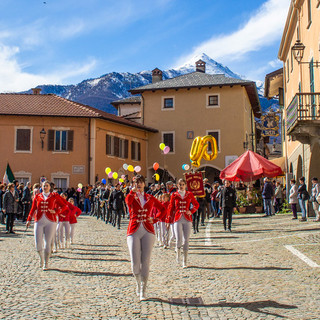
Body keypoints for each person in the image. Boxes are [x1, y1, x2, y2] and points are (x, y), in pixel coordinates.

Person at [126, 175, 165, 301]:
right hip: (134, 229)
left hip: (148, 230)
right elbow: (128, 202)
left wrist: (155, 219)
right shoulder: (131, 196)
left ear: (144, 184)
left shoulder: (150, 197)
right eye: (136, 182)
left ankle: (143, 289)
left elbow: (163, 209)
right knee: (135, 262)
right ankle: (137, 283)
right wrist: (131, 192)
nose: (139, 184)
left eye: (141, 182)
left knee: (145, 260)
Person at [26, 181, 67, 270]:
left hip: (50, 220)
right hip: (39, 220)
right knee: (38, 244)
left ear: (49, 187)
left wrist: (56, 211)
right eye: (44, 186)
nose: (45, 187)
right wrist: (29, 219)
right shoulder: (37, 196)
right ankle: (41, 258)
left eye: (47, 186)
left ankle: (46, 263)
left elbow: (64, 206)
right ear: (41, 187)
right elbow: (33, 209)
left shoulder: (54, 196)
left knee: (47, 242)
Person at [167, 179, 199, 268]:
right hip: (177, 218)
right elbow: (171, 207)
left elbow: (196, 204)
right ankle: (178, 255)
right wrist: (168, 220)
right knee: (178, 239)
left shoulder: (189, 194)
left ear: (185, 185)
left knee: (186, 240)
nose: (181, 186)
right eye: (180, 184)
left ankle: (185, 260)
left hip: (187, 218)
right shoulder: (174, 195)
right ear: (177, 185)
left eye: (183, 184)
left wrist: (191, 211)